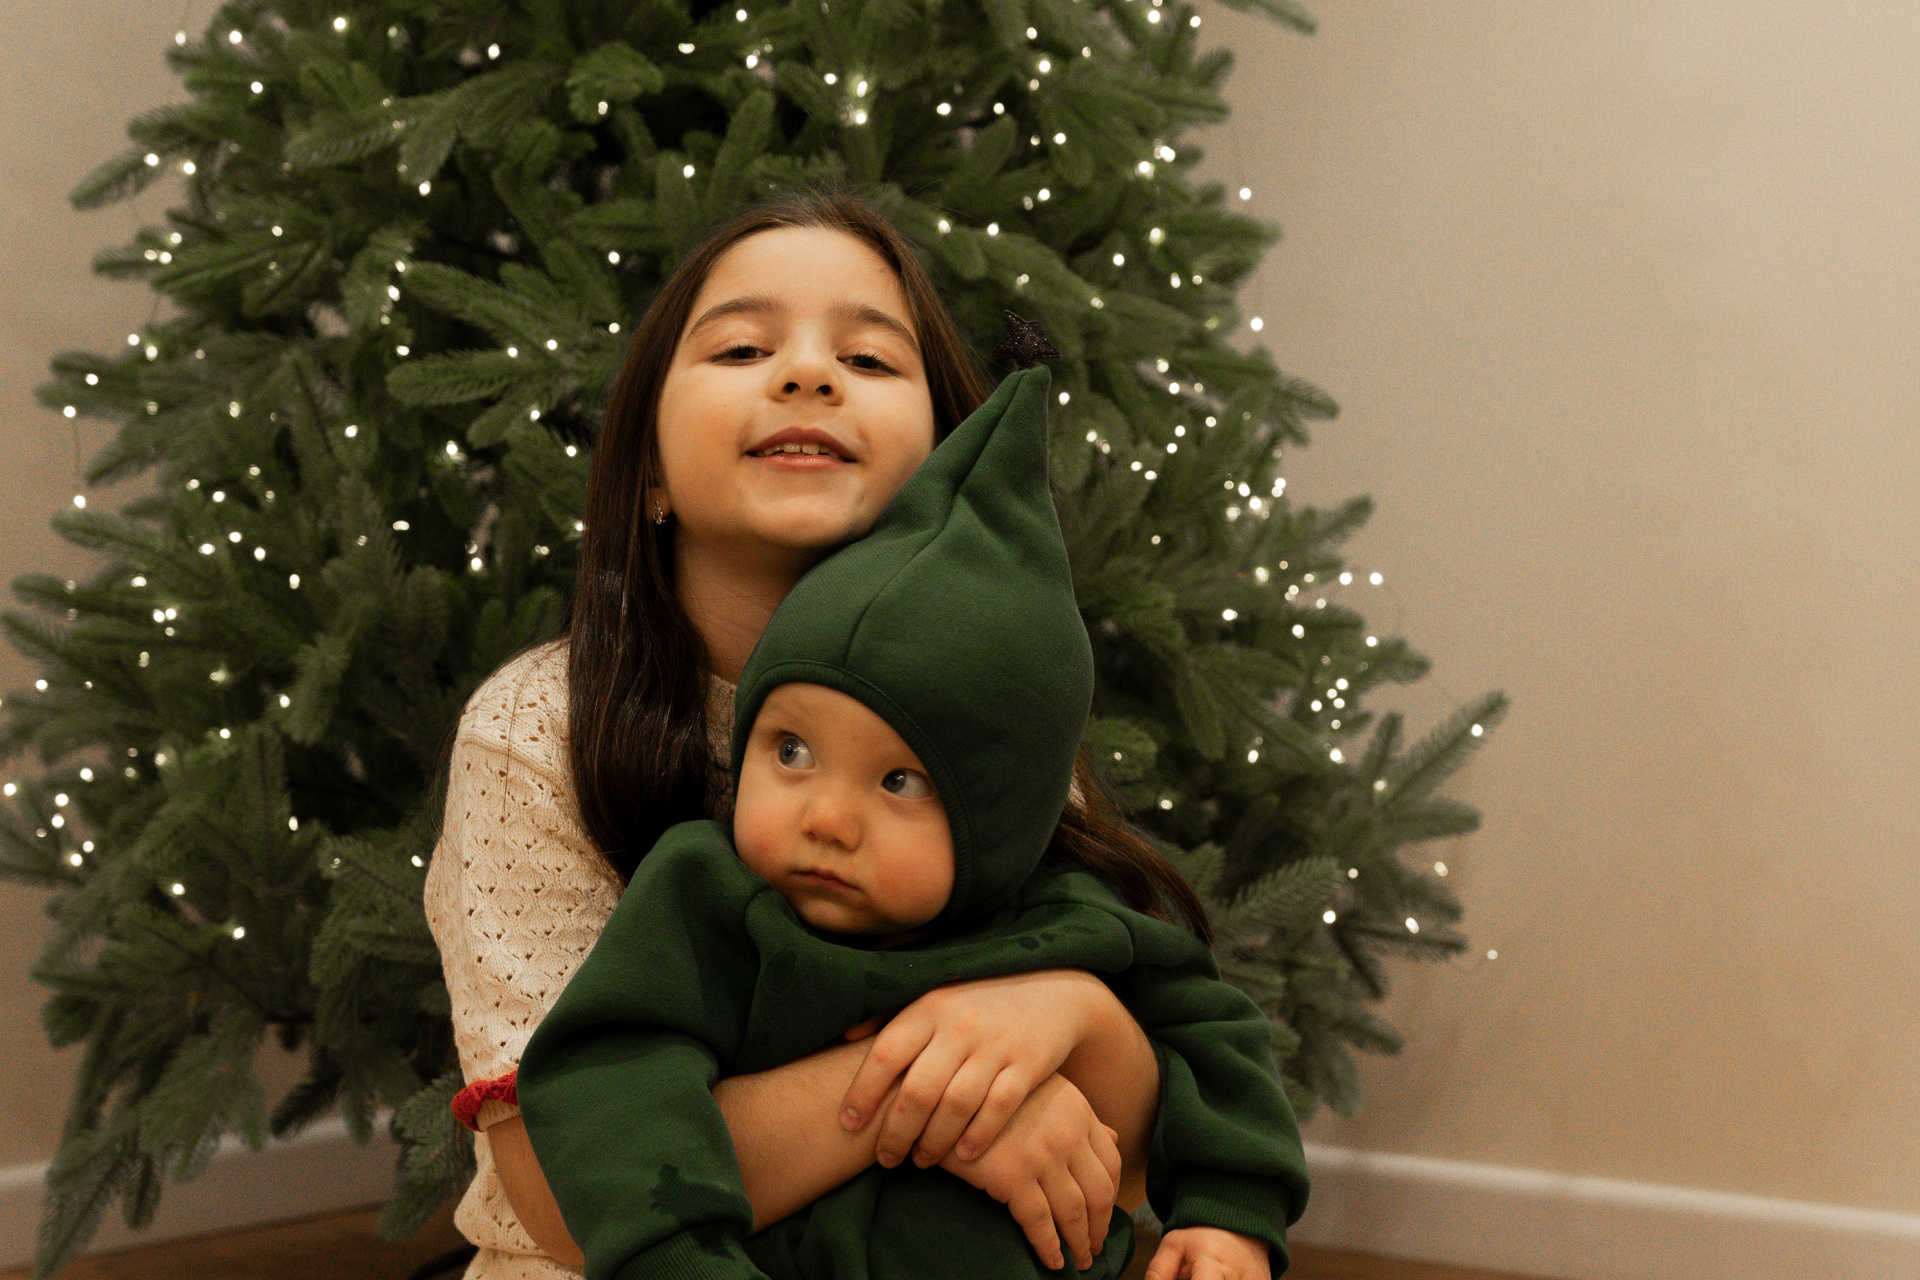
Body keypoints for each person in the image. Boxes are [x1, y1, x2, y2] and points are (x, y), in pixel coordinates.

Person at [424, 190, 1168, 1279]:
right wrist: (950, 1094)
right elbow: (566, 1192)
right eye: (741, 348)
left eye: (868, 360)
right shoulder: (536, 731)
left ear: (948, 467)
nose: (809, 374)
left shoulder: (996, 713)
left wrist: (1074, 1010)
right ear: (650, 470)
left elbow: (1129, 1165)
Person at [516, 363, 1309, 1280]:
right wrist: (677, 1259)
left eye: (899, 781)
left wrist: (1231, 1217)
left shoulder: (1064, 916)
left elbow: (1214, 1042)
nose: (826, 818)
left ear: (1001, 823)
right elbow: (612, 1086)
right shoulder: (705, 901)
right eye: (790, 751)